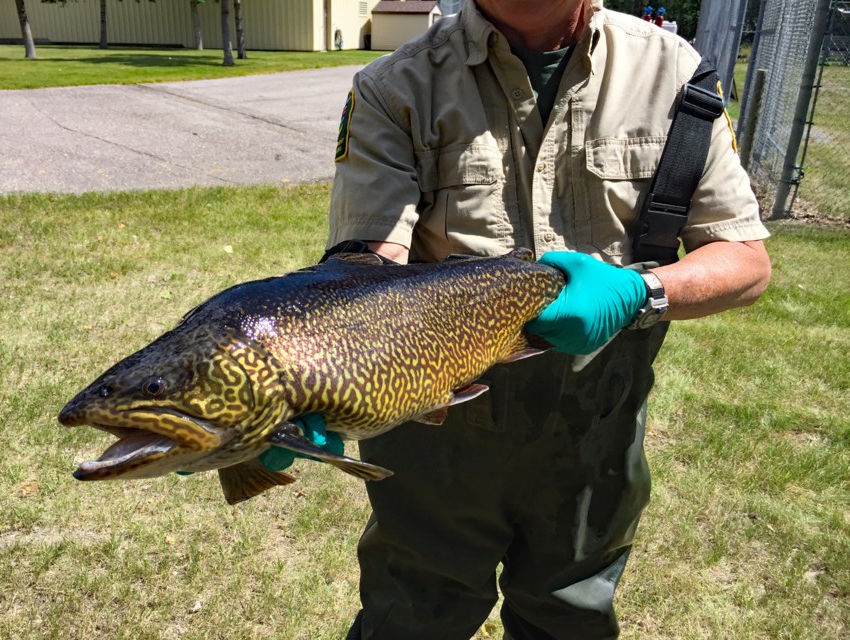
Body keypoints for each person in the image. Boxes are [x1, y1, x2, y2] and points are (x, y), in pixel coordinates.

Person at [274, 1, 771, 638]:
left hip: (595, 437)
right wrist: (298, 380)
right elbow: (368, 271)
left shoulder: (673, 73)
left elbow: (744, 260)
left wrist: (639, 292)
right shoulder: (394, 87)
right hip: (433, 437)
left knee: (569, 621)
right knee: (410, 618)